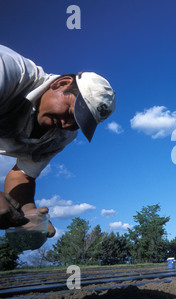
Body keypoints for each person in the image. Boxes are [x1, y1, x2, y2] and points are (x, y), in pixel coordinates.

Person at [0, 45, 116, 240]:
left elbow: (23, 174)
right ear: (60, 83)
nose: (66, 124)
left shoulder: (62, 135)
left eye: (77, 123)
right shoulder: (9, 70)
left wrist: (28, 214)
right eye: (71, 113)